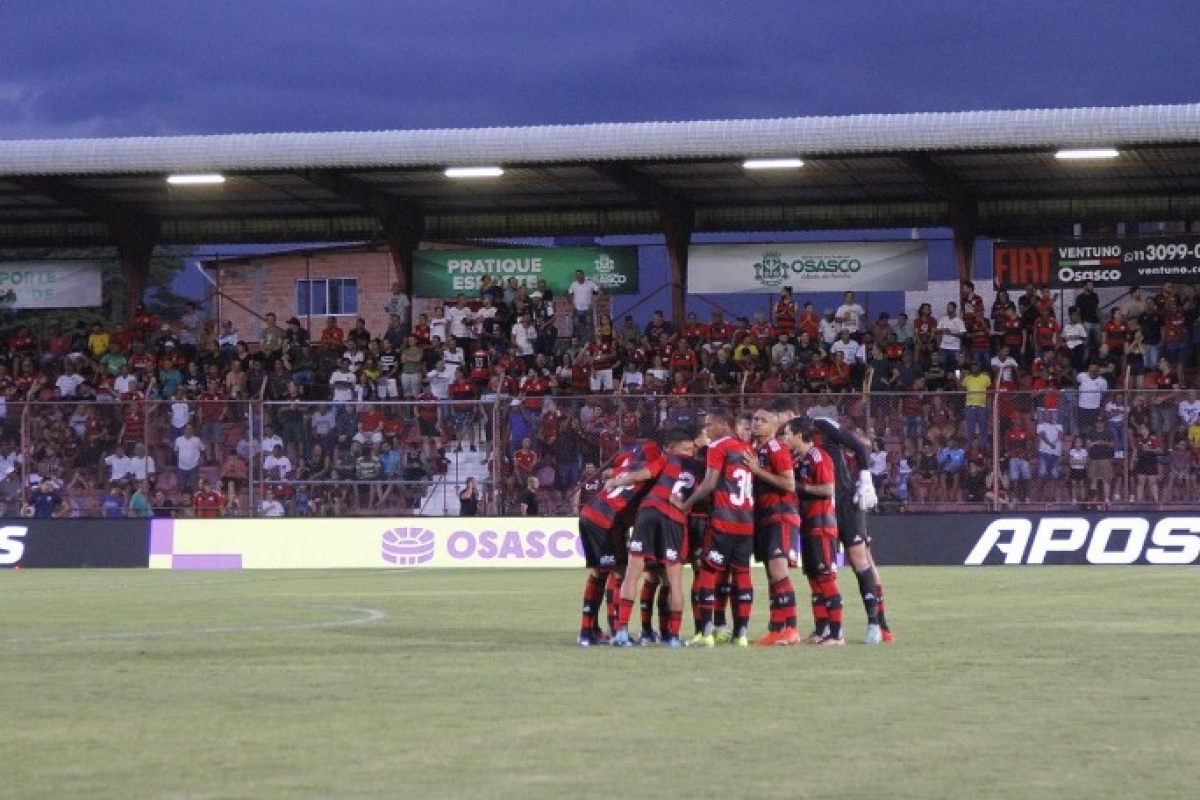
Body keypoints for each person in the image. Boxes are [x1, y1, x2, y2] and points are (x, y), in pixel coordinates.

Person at [808, 413, 892, 643]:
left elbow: (859, 446)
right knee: (823, 567)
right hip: (822, 508)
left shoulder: (821, 425)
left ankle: (879, 624)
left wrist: (865, 479)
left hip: (847, 503)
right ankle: (826, 628)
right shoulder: (790, 439)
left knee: (861, 559)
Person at [612, 428, 698, 648]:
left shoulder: (667, 459)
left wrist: (615, 482)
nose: (689, 452)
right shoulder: (701, 466)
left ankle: (621, 631)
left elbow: (640, 475)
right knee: (674, 581)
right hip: (675, 518)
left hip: (649, 509)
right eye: (686, 449)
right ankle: (673, 638)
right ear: (673, 448)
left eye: (691, 449)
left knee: (633, 573)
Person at [678, 408, 756, 647]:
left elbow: (709, 484)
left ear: (723, 425)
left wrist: (685, 505)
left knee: (708, 572)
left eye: (709, 424)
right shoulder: (746, 448)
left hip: (723, 520)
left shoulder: (718, 447)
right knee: (742, 574)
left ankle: (706, 633)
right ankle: (741, 634)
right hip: (746, 522)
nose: (706, 429)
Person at [575, 439, 664, 646]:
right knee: (620, 573)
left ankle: (587, 631)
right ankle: (616, 631)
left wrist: (614, 476)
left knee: (598, 573)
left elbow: (608, 473)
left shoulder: (626, 466)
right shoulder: (652, 467)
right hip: (608, 519)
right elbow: (643, 475)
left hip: (589, 512)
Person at [742, 406, 801, 645]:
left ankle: (792, 628)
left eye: (763, 420)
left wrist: (758, 471)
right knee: (771, 575)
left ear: (775, 425)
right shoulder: (757, 449)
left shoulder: (777, 448)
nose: (756, 423)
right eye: (755, 419)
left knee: (778, 571)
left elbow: (789, 484)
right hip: (764, 517)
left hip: (780, 514)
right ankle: (776, 629)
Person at [784, 416, 845, 645]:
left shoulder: (819, 456)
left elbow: (828, 489)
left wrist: (800, 487)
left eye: (788, 434)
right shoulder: (798, 459)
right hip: (807, 524)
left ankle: (837, 634)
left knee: (825, 578)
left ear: (799, 435)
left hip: (822, 524)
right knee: (813, 578)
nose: (785, 438)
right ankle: (822, 630)